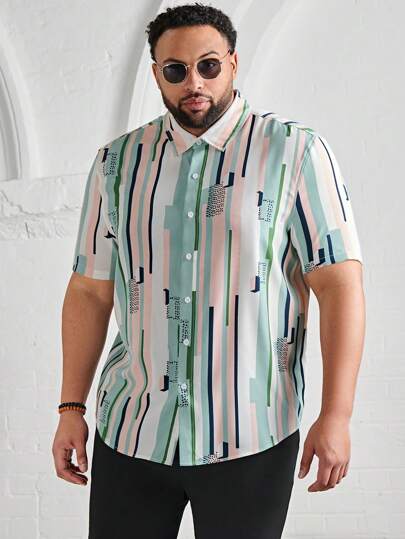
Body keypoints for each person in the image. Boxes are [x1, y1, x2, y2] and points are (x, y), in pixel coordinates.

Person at [52, 3, 365, 538]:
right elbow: (89, 290)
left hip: (251, 434)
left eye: (209, 65)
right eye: (176, 70)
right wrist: (70, 407)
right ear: (157, 74)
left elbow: (340, 285)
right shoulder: (116, 164)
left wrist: (336, 415)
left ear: (233, 63)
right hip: (133, 431)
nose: (194, 82)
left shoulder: (295, 153)